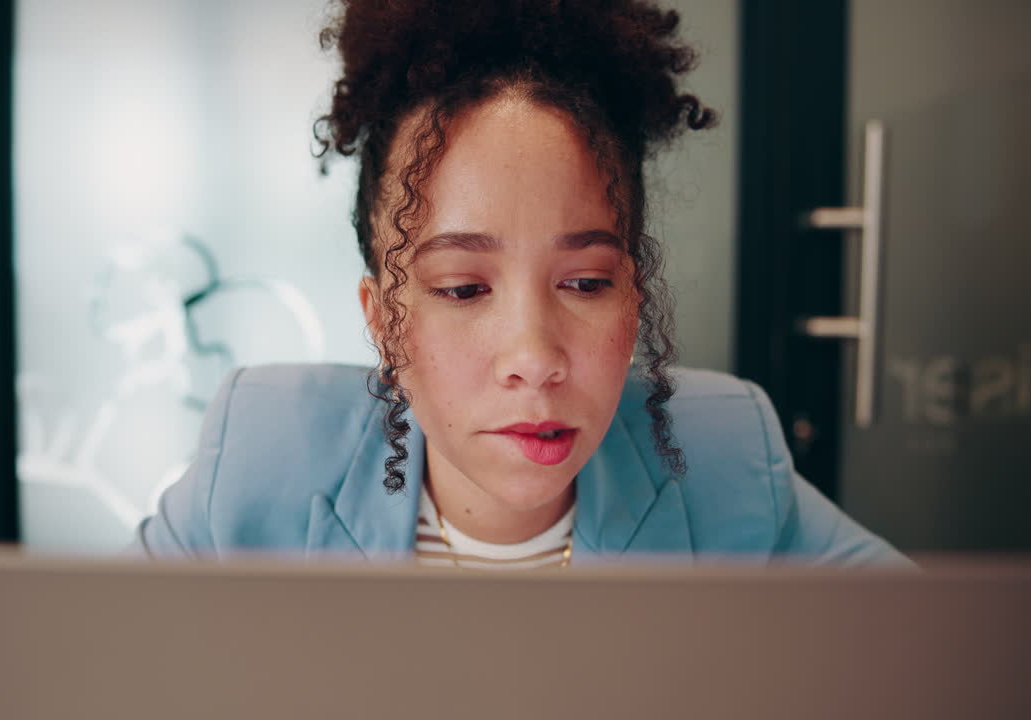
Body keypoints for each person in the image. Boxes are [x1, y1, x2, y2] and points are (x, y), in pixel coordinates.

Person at [133, 0, 907, 568]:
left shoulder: (724, 460)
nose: (535, 358)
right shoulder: (257, 461)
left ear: (633, 299)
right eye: (464, 289)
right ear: (383, 320)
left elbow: (941, 660)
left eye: (584, 281)